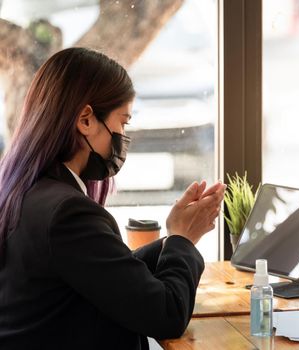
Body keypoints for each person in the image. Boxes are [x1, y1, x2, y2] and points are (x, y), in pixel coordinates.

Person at [0, 47, 226, 349]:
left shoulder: (27, 190)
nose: (123, 135)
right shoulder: (68, 213)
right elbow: (166, 314)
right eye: (123, 122)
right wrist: (182, 240)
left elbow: (102, 271)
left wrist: (174, 238)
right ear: (86, 120)